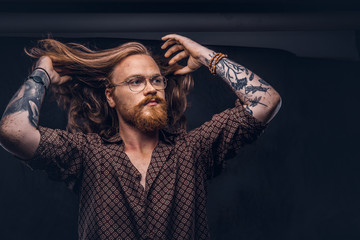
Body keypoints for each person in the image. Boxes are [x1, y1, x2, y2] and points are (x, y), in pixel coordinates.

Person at [0, 34, 281, 239]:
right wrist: (41, 74)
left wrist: (207, 56)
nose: (151, 88)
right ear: (110, 96)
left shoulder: (194, 149)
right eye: (136, 81)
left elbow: (266, 101)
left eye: (156, 80)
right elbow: (14, 131)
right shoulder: (87, 154)